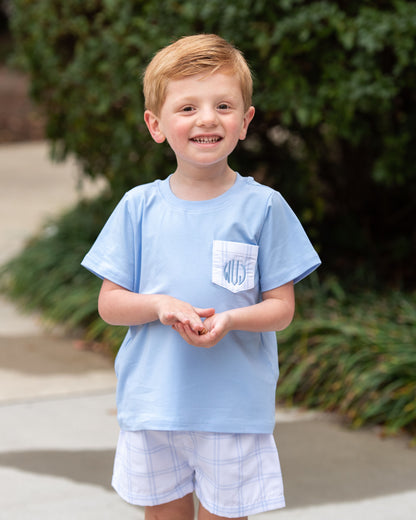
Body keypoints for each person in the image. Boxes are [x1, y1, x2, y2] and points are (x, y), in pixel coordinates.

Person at [82, 34, 321, 520]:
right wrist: (159, 305)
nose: (207, 118)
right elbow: (109, 304)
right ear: (156, 124)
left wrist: (229, 320)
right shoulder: (138, 207)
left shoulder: (264, 208)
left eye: (223, 105)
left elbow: (281, 309)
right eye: (187, 107)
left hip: (232, 412)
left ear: (245, 122)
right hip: (154, 405)